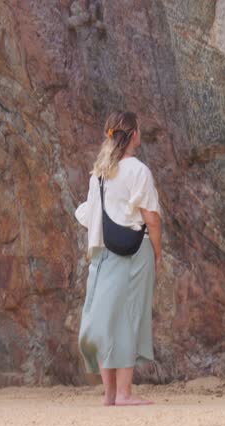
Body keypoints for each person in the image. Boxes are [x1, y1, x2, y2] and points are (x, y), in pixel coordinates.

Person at [74, 111, 162, 406]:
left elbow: (89, 213)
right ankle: (124, 393)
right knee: (128, 319)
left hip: (102, 253)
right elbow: (151, 218)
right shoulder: (138, 171)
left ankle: (110, 393)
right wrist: (158, 253)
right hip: (134, 252)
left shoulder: (100, 171)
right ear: (135, 135)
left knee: (104, 320)